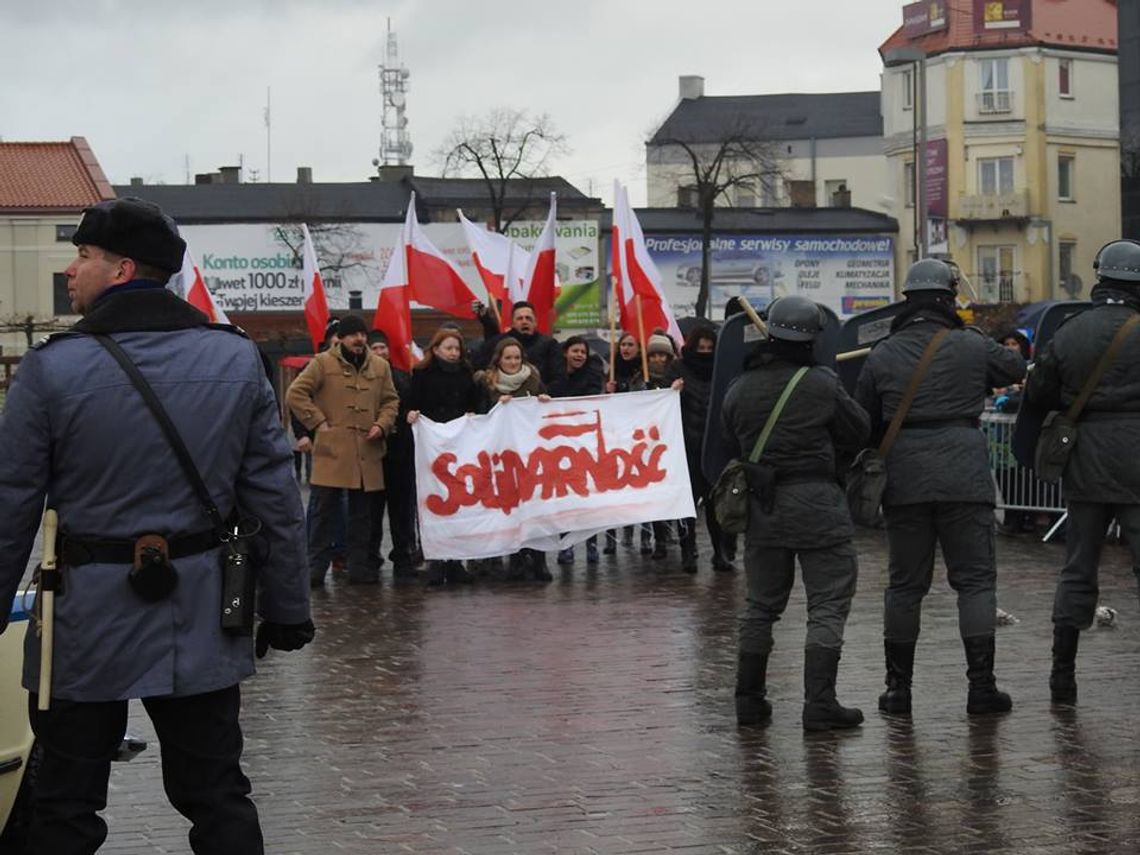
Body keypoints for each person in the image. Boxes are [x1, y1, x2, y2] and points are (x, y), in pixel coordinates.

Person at [0, 197, 313, 854]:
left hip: (81, 619)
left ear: (123, 269)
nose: (71, 268)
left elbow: (11, 504)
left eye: (83, 255)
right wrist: (286, 605)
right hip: (199, 606)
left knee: (64, 804)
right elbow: (274, 498)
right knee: (218, 793)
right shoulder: (235, 360)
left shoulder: (50, 369)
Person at [855, 258, 1025, 717]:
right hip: (964, 475)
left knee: (905, 586)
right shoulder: (970, 344)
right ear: (949, 300)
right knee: (974, 582)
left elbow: (863, 420)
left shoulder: (883, 353)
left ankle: (898, 690)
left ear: (906, 301)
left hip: (904, 478)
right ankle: (982, 688)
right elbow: (1013, 365)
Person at [721, 295, 870, 731]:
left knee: (760, 607)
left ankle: (749, 701)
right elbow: (857, 429)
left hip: (763, 508)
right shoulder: (822, 383)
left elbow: (729, 437)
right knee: (826, 604)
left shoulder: (740, 386)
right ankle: (819, 704)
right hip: (818, 504)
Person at [1024, 239, 1140, 705]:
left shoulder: (1070, 331)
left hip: (1085, 457)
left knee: (1078, 567)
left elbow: (1038, 392)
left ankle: (1062, 677)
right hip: (1136, 457)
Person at [287, 315, 400, 586]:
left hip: (367, 451)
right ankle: (315, 570)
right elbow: (295, 393)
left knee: (363, 516)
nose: (359, 339)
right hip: (332, 451)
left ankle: (359, 568)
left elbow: (390, 401)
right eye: (353, 335)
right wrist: (318, 422)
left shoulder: (381, 366)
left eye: (362, 335)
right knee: (323, 512)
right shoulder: (323, 362)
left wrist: (382, 425)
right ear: (343, 338)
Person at [406, 327, 486, 585]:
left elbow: (476, 403)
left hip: (459, 446)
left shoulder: (466, 374)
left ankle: (455, 561)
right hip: (432, 447)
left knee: (457, 500)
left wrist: (474, 414)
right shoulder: (421, 373)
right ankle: (435, 558)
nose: (453, 353)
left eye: (456, 348)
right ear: (436, 349)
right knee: (433, 500)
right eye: (448, 348)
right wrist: (411, 415)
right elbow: (411, 402)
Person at [474, 337, 552, 580]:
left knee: (533, 507)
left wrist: (544, 402)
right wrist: (496, 406)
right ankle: (510, 560)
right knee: (504, 508)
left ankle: (538, 560)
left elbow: (544, 413)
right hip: (498, 456)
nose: (512, 362)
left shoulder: (533, 379)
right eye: (508, 357)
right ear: (499, 359)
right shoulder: (486, 382)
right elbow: (478, 415)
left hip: (528, 456)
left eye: (516, 357)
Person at [666, 324, 734, 574]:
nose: (705, 352)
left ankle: (720, 553)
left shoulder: (722, 369)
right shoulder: (677, 369)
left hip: (715, 445)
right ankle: (688, 552)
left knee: (716, 503)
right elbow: (662, 400)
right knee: (687, 504)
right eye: (700, 347)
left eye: (710, 348)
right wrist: (672, 391)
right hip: (685, 446)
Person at [548, 336, 607, 566]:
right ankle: (566, 545)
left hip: (586, 445)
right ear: (565, 353)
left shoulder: (593, 376)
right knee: (565, 499)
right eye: (575, 351)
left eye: (583, 351)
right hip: (561, 447)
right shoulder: (557, 377)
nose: (579, 355)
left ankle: (591, 544)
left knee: (587, 498)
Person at [368, 330, 419, 578]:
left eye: (383, 348)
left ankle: (403, 556)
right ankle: (370, 556)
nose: (380, 352)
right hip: (374, 455)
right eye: (375, 348)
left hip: (401, 454)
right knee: (371, 512)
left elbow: (412, 406)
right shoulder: (365, 379)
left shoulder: (403, 378)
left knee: (402, 511)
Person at [474, 300, 565, 386]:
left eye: (528, 318)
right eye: (520, 318)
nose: (524, 322)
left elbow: (558, 377)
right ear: (512, 323)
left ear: (535, 322)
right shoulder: (498, 342)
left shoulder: (550, 345)